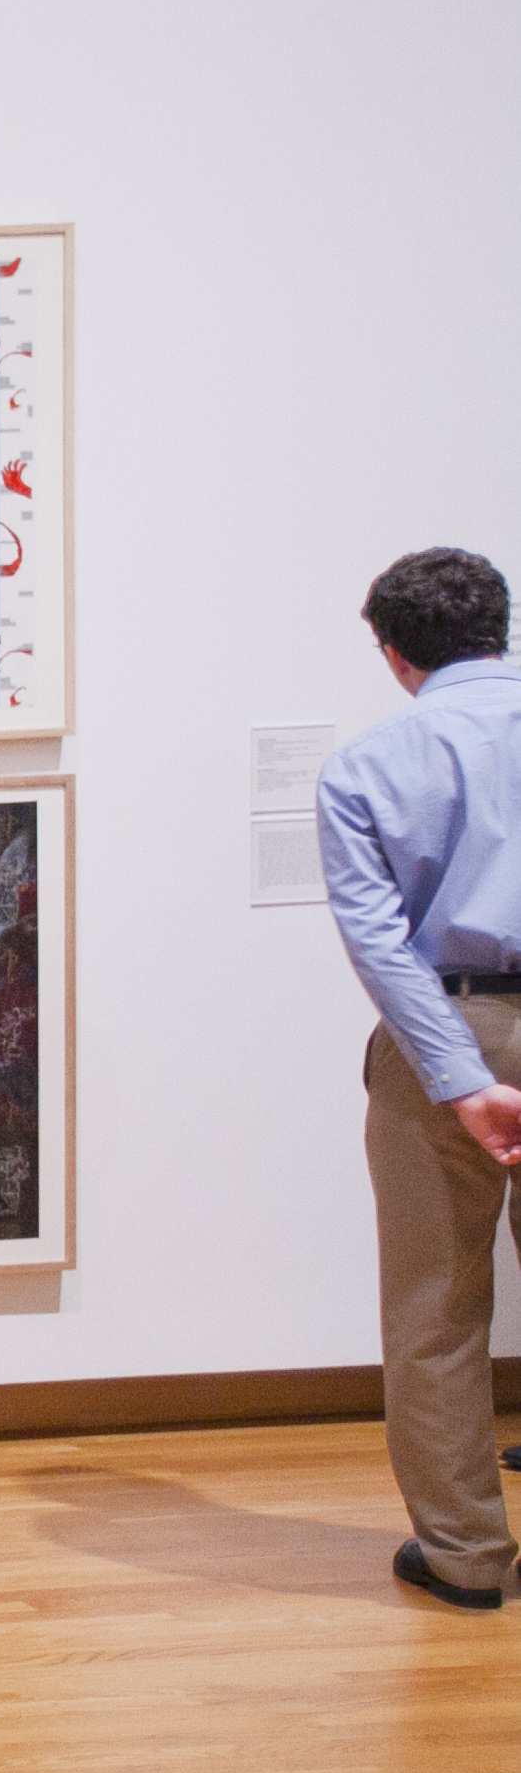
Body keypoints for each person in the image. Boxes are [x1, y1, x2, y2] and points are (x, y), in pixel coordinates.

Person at [317, 546, 521, 1613]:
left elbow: (380, 943)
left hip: (451, 1025)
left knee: (436, 1305)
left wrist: (457, 1074)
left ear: (394, 655)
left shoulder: (367, 767)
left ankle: (469, 1559)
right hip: (461, 1032)